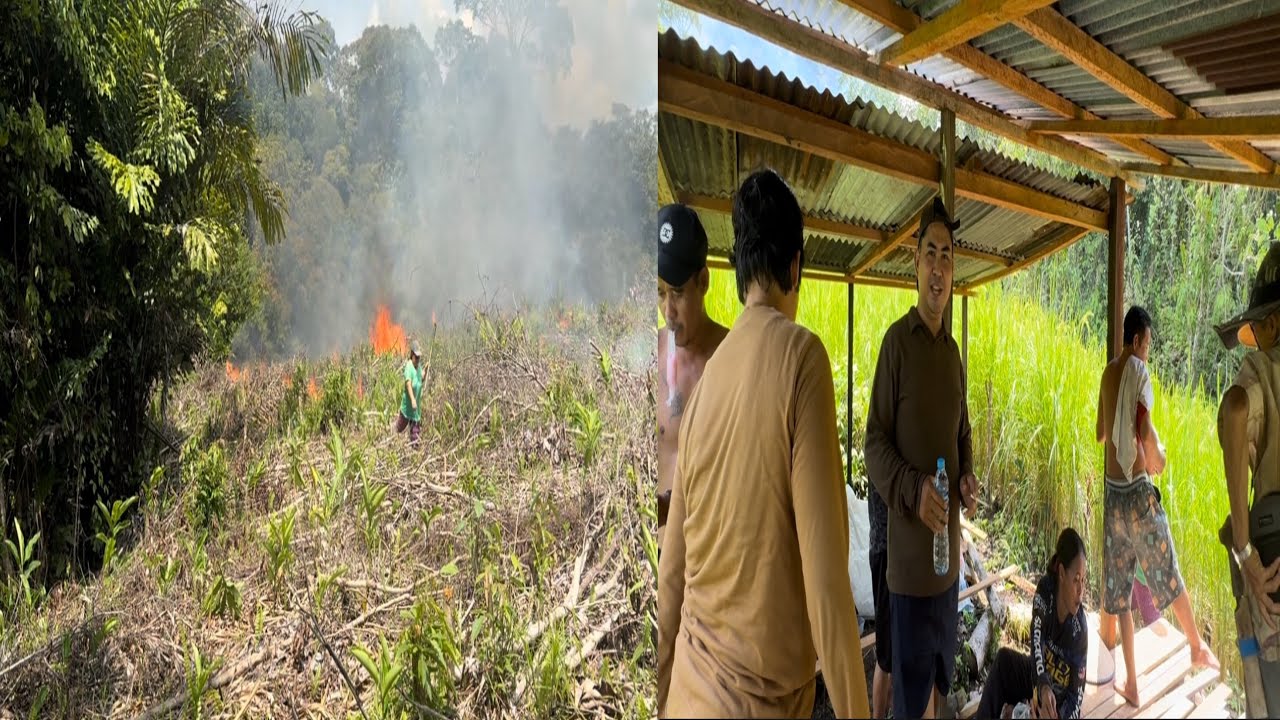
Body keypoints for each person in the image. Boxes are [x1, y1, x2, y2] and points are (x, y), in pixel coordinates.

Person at [657, 169, 868, 718]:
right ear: (795, 266)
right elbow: (827, 591)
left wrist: (660, 695)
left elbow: (671, 575)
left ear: (736, 269)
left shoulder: (706, 385)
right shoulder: (802, 360)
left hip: (685, 693)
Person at [865, 195, 979, 720]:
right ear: (916, 264)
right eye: (930, 253)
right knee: (908, 704)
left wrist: (967, 475)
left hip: (947, 571)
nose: (939, 267)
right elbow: (873, 444)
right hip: (909, 573)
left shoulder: (952, 355)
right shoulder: (897, 344)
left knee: (939, 686)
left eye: (947, 255)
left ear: (954, 270)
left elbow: (962, 433)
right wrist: (914, 489)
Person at [1095, 306, 1219, 707]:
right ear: (1136, 341)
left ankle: (1131, 682)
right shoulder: (1139, 371)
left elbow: (1101, 434)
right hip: (1137, 495)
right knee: (1167, 570)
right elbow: (1145, 431)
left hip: (1112, 496)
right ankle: (1196, 646)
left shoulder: (1108, 373)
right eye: (1147, 345)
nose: (1148, 352)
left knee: (1119, 591)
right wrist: (1158, 457)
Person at [1215, 241, 1280, 717]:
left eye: (1256, 327)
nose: (1254, 337)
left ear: (1273, 322)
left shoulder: (1266, 368)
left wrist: (1243, 550)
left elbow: (1236, 409)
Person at [656, 203, 728, 552]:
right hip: (652, 555)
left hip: (708, 559)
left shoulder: (731, 358)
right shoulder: (649, 356)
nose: (668, 310)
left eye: (678, 292)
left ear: (704, 281)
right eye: (660, 292)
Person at [976, 528, 1088, 720]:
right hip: (1039, 679)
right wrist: (1042, 686)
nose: (1081, 590)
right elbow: (1036, 645)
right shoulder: (1046, 592)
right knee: (1004, 662)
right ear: (1062, 573)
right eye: (1076, 580)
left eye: (1084, 580)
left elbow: (1076, 700)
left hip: (1057, 707)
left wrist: (1054, 715)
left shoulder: (1079, 631)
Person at [869, 473, 893, 718]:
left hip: (894, 556)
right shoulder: (879, 456)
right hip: (885, 554)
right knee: (885, 656)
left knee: (893, 653)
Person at [395, 339, 425, 444]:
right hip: (408, 406)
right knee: (400, 427)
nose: (418, 359)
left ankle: (414, 446)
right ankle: (393, 438)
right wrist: (412, 400)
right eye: (416, 357)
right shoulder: (409, 366)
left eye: (419, 357)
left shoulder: (419, 367)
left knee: (415, 432)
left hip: (416, 408)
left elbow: (420, 380)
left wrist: (424, 374)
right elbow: (408, 384)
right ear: (411, 355)